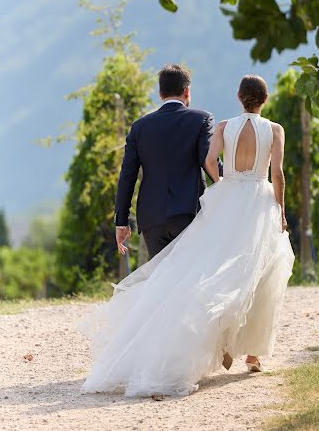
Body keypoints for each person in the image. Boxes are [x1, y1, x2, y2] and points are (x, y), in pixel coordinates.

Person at [81, 74, 294, 397]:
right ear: (264, 99)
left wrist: (225, 188)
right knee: (256, 273)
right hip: (236, 205)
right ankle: (250, 351)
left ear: (238, 96)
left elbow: (204, 162)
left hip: (182, 209)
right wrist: (278, 206)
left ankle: (180, 349)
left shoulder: (209, 126)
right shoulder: (260, 128)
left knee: (190, 280)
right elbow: (271, 172)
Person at [114, 63, 221, 259]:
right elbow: (209, 160)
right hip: (188, 213)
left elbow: (127, 176)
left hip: (152, 218)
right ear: (187, 91)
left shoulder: (139, 127)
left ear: (160, 93)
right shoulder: (201, 119)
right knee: (190, 275)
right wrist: (231, 184)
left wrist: (121, 221)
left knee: (161, 279)